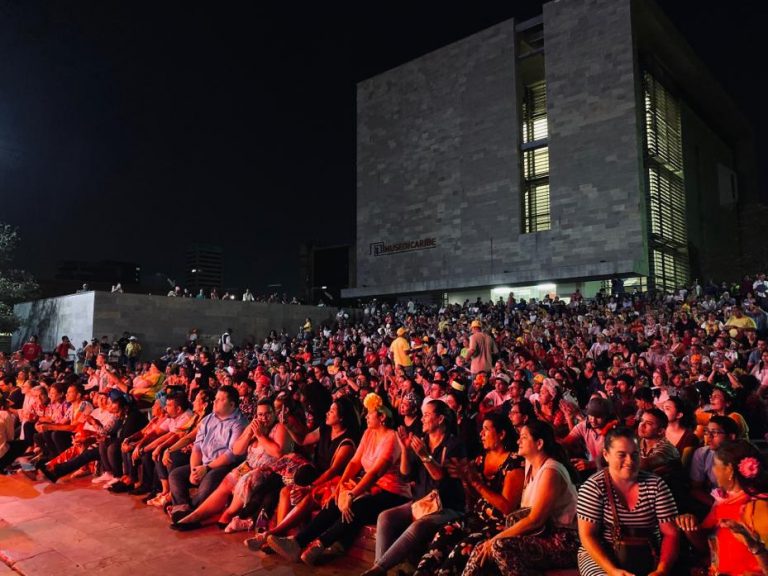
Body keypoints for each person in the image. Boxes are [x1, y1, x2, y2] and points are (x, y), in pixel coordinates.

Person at [268, 393, 411, 566]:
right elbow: (355, 462)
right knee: (334, 499)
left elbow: (374, 473)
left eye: (369, 413)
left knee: (357, 505)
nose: (365, 416)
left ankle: (320, 544)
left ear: (381, 417)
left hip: (392, 492)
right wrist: (342, 486)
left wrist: (352, 494)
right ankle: (297, 542)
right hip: (369, 485)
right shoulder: (369, 432)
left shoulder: (392, 437)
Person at [360, 400, 466, 576]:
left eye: (426, 415)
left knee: (417, 527)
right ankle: (379, 566)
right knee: (385, 517)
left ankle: (379, 569)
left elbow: (441, 478)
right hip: (421, 502)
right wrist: (404, 450)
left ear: (440, 419)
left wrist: (425, 455)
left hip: (446, 507)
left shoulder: (453, 445)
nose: (422, 419)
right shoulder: (421, 440)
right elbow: (406, 475)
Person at [462, 420, 580, 576]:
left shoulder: (551, 470)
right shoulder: (530, 465)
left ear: (539, 443)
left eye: (524, 437)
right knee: (481, 549)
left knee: (499, 546)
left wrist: (495, 539)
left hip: (565, 540)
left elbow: (535, 519)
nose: (518, 441)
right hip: (543, 534)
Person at [413, 413, 523, 576]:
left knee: (463, 547)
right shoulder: (480, 459)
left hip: (499, 524)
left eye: (486, 429)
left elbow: (507, 508)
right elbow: (473, 501)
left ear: (501, 434)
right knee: (444, 534)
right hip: (476, 517)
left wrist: (476, 482)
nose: (481, 434)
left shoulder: (514, 462)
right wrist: (466, 481)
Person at [171, 397, 290, 530]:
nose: (264, 418)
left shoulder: (279, 428)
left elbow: (278, 453)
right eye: (260, 414)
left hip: (268, 471)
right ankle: (196, 515)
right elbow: (237, 450)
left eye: (268, 413)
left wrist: (261, 436)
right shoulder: (254, 426)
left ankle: (227, 515)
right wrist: (249, 435)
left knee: (245, 480)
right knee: (227, 482)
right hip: (248, 465)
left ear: (274, 414)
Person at [577, 426, 679, 576]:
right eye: (621, 455)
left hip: (649, 554)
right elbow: (587, 536)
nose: (630, 461)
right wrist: (612, 570)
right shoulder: (594, 487)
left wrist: (662, 570)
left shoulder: (656, 485)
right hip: (603, 555)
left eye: (635, 454)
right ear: (606, 455)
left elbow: (671, 533)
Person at [676, 440, 768, 575]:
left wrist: (752, 543)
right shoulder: (723, 501)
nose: (712, 470)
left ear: (729, 469)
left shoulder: (759, 506)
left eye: (715, 465)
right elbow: (704, 546)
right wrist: (689, 526)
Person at [167, 385, 248, 524]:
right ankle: (182, 507)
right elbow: (197, 447)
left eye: (220, 399)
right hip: (204, 463)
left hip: (224, 465)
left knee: (209, 480)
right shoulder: (208, 419)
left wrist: (207, 468)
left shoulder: (239, 423)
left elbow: (231, 454)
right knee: (176, 475)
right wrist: (194, 470)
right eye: (215, 398)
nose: (215, 402)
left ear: (232, 404)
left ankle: (192, 511)